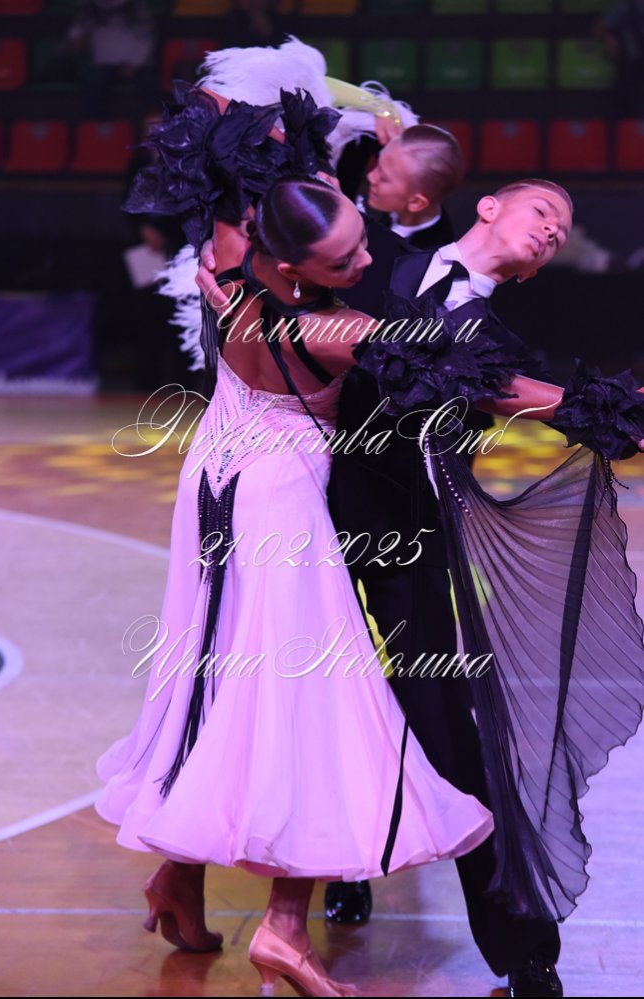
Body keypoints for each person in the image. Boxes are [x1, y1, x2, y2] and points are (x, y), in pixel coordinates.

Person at [96, 91, 510, 998]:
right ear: (292, 264)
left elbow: (220, 137)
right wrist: (591, 406)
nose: (363, 262)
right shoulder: (338, 330)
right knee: (308, 704)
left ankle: (177, 879)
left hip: (211, 485)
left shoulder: (227, 264)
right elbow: (482, 382)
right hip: (279, 507)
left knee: (215, 674)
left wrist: (295, 128)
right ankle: (283, 930)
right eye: (347, 256)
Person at [198, 176, 644, 997]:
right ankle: (299, 876)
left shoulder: (502, 345)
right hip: (294, 512)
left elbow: (504, 392)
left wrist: (603, 408)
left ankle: (523, 951)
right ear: (490, 206)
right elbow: (270, 238)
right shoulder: (375, 258)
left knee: (448, 728)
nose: (553, 229)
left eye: (563, 231)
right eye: (544, 210)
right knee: (269, 698)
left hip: (407, 539)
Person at [363, 124, 463, 250]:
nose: (370, 176)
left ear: (415, 202)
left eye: (383, 178)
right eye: (378, 165)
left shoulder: (421, 256)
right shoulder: (396, 204)